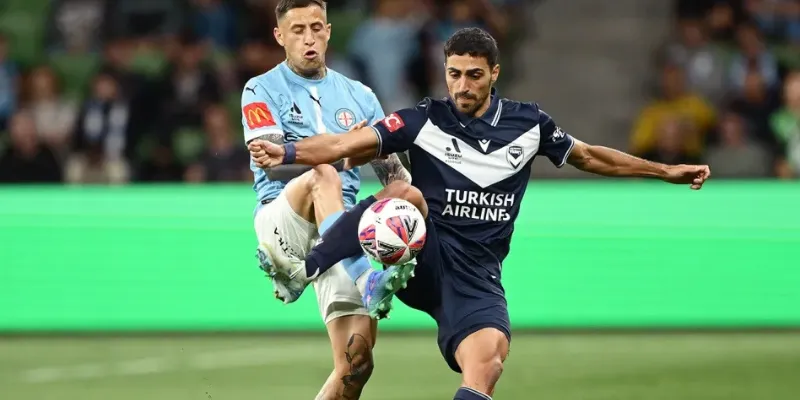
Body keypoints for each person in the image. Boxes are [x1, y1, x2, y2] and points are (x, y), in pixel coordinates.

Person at [250, 27, 711, 400]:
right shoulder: (422, 119)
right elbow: (339, 145)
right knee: (406, 194)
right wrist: (287, 149)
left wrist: (664, 169)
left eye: (473, 75)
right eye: (453, 74)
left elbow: (590, 156)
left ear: (494, 73)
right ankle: (315, 266)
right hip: (421, 253)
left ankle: (346, 274)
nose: (462, 86)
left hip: (475, 273)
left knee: (488, 360)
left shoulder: (529, 124)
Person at [241, 1, 411, 398]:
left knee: (356, 365)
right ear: (280, 37)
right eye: (297, 30)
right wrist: (343, 150)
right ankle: (365, 278)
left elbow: (394, 175)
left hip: (339, 230)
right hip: (286, 218)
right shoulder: (260, 88)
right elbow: (274, 163)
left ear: (329, 31)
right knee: (323, 174)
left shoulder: (360, 96)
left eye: (316, 27)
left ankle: (344, 268)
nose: (309, 38)